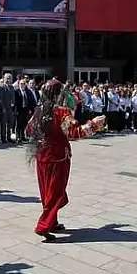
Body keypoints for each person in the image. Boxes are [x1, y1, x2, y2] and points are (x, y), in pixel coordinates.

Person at [26, 79, 107, 242]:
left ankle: (53, 222)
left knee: (46, 191)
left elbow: (28, 130)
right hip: (58, 157)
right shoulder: (61, 112)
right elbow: (74, 133)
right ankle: (43, 225)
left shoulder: (39, 110)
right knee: (55, 192)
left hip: (41, 155)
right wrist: (94, 125)